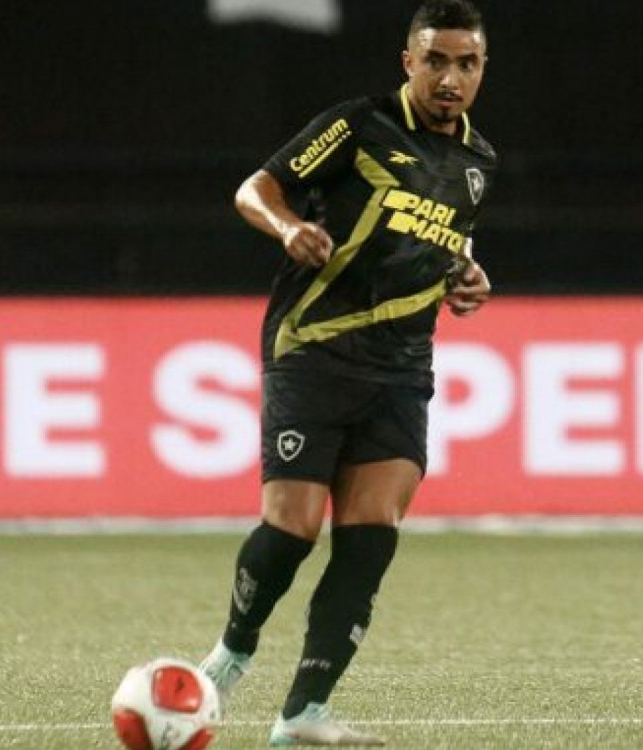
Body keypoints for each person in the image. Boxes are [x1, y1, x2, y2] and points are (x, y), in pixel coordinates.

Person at [197, 0, 495, 745]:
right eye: (436, 60)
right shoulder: (361, 125)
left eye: (466, 63)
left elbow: (438, 238)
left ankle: (303, 713)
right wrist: (290, 226)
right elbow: (255, 188)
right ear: (408, 61)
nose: (450, 78)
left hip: (402, 369)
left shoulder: (479, 165)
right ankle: (231, 655)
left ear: (482, 68)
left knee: (370, 537)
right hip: (316, 347)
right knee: (293, 527)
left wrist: (465, 274)